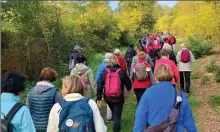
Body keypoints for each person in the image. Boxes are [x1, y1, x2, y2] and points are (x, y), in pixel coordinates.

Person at [133, 64, 198, 132]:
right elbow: (188, 120)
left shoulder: (148, 93)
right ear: (171, 77)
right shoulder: (180, 95)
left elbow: (140, 118)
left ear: (155, 77)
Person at [97, 55, 132, 132]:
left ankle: (114, 119)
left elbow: (99, 84)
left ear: (109, 61)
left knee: (114, 112)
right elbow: (128, 83)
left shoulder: (105, 71)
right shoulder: (121, 71)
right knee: (117, 117)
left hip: (108, 97)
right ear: (117, 61)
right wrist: (129, 89)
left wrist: (99, 98)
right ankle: (116, 126)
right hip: (118, 97)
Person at [26, 67, 62, 132]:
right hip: (49, 127)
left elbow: (27, 109)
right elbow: (61, 108)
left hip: (33, 127)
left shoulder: (31, 91)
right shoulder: (54, 92)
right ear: (53, 78)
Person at [95, 52, 113, 122]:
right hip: (110, 85)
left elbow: (98, 75)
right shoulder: (111, 65)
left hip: (102, 85)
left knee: (106, 100)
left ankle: (107, 116)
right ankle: (109, 116)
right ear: (110, 58)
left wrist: (96, 84)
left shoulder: (101, 65)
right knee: (110, 100)